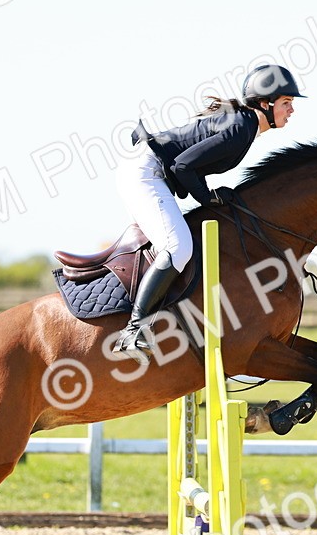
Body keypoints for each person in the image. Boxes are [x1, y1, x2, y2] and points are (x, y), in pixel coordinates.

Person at [113, 63, 304, 364]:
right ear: (265, 104)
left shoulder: (245, 125)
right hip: (146, 172)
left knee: (181, 244)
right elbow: (183, 166)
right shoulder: (242, 128)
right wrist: (208, 198)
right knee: (178, 247)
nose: (291, 110)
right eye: (286, 103)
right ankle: (133, 330)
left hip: (150, 170)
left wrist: (210, 196)